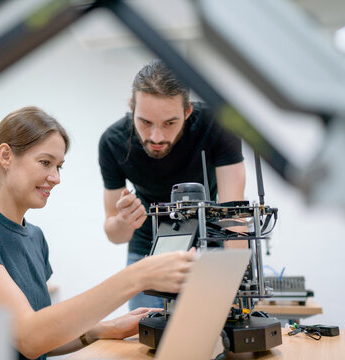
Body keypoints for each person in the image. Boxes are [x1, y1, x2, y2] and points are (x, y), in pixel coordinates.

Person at [0, 106, 196, 360]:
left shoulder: (35, 237)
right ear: (6, 156)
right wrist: (137, 276)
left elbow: (43, 339)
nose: (55, 177)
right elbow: (27, 338)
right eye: (45, 162)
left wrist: (101, 330)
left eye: (59, 166)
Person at [98, 60, 246, 310]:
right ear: (132, 107)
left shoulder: (218, 126)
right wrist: (125, 221)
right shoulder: (113, 142)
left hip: (209, 244)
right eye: (145, 122)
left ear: (188, 111)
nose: (156, 137)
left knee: (213, 333)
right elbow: (114, 233)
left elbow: (233, 213)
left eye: (169, 123)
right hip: (147, 248)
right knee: (145, 337)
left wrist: (237, 280)